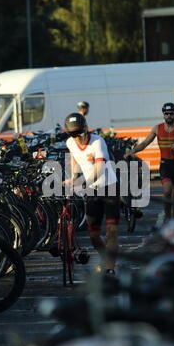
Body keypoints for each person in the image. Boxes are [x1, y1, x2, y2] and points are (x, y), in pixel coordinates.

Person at [63, 112, 119, 276]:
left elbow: (100, 169)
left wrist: (81, 182)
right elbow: (74, 157)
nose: (77, 137)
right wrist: (73, 177)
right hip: (92, 191)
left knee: (111, 231)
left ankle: (110, 267)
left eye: (80, 132)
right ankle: (104, 257)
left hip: (109, 187)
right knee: (93, 234)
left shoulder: (97, 141)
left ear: (86, 129)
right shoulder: (70, 142)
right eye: (73, 134)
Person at [125, 102, 174, 222]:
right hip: (165, 164)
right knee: (167, 191)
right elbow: (145, 143)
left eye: (171, 113)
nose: (169, 116)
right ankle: (167, 216)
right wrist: (133, 151)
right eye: (166, 114)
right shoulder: (157, 128)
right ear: (163, 114)